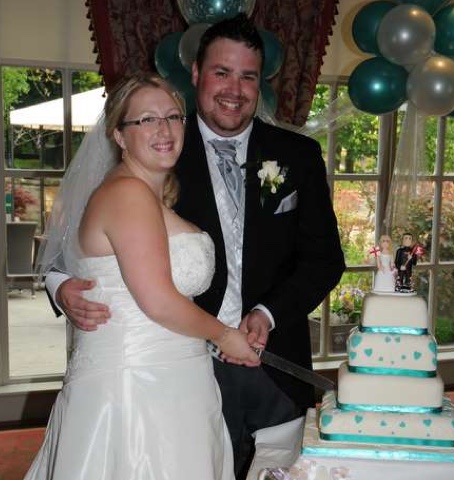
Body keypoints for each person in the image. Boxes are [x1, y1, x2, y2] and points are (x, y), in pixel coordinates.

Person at [46, 14, 345, 479]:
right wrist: (63, 285)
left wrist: (267, 313)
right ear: (196, 75)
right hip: (168, 371)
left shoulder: (297, 155)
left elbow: (324, 258)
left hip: (275, 366)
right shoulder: (158, 149)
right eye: (221, 72)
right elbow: (74, 243)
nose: (234, 88)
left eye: (248, 76)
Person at [26, 73, 261, 480]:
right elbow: (158, 299)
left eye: (172, 116)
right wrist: (224, 335)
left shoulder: (149, 191)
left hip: (172, 377)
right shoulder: (127, 194)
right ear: (119, 134)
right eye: (146, 120)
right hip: (138, 387)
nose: (164, 129)